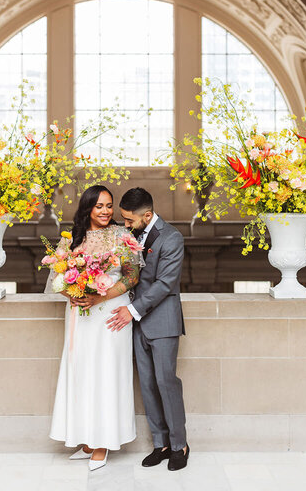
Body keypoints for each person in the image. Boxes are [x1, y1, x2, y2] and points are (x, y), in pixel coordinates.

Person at [45, 185, 141, 471]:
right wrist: (73, 293)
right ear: (87, 207)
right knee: (82, 373)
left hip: (110, 313)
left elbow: (133, 275)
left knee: (106, 373)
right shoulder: (72, 238)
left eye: (109, 206)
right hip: (80, 314)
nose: (106, 211)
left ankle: (103, 442)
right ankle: (86, 440)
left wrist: (101, 296)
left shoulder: (122, 236)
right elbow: (58, 278)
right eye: (99, 206)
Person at [107, 187, 189, 471]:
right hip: (136, 324)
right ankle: (161, 444)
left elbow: (166, 284)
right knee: (147, 385)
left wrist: (130, 310)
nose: (125, 225)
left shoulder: (172, 238)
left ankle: (180, 445)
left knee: (167, 383)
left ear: (148, 215)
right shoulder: (128, 233)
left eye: (129, 220)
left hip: (162, 321)